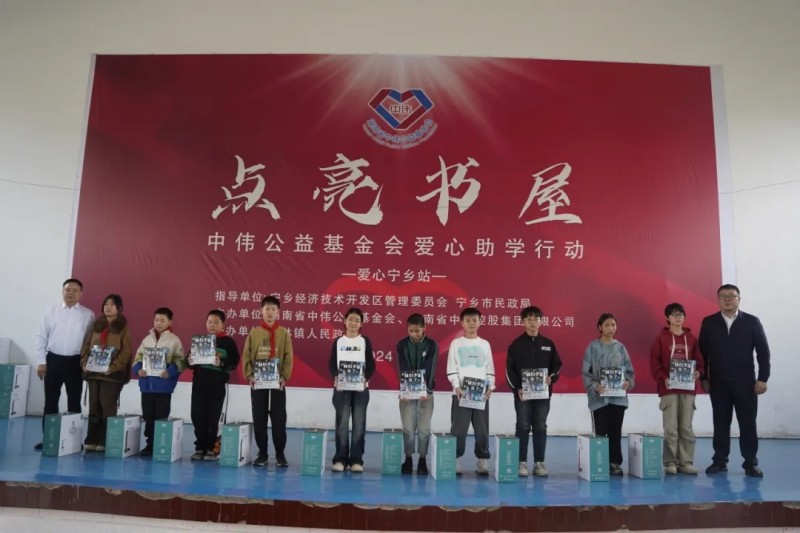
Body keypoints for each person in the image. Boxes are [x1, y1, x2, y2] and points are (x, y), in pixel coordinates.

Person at [699, 284, 770, 478]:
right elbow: (702, 353)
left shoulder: (752, 322)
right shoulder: (709, 322)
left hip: (746, 384)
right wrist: (704, 377)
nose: (727, 299)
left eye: (732, 295)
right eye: (723, 296)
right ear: (718, 300)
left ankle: (750, 463)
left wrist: (763, 378)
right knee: (720, 423)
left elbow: (763, 352)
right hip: (718, 383)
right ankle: (719, 461)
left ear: (739, 299)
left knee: (748, 424)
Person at [33, 278, 95, 450]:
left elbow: (90, 342)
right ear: (62, 291)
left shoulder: (88, 315)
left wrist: (87, 363)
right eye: (68, 290)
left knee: (74, 401)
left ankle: (74, 441)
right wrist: (41, 361)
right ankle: (49, 439)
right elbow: (41, 336)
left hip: (75, 362)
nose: (71, 293)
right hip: (53, 360)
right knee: (50, 401)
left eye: (75, 290)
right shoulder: (50, 311)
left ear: (81, 293)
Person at [505, 306, 562, 477]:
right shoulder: (516, 345)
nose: (533, 323)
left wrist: (551, 378)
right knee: (522, 426)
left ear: (541, 321)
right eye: (529, 319)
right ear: (523, 322)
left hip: (543, 395)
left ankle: (539, 463)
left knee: (540, 427)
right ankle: (521, 462)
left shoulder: (548, 344)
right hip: (523, 395)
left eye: (536, 319)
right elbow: (509, 370)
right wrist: (517, 389)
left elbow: (557, 366)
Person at [649, 302, 704, 475]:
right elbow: (654, 363)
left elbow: (700, 362)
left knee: (686, 427)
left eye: (680, 314)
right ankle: (670, 462)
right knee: (670, 428)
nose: (678, 317)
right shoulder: (661, 338)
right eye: (674, 314)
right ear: (667, 318)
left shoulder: (692, 339)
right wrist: (663, 378)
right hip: (669, 389)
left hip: (688, 389)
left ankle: (686, 462)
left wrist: (698, 372)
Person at [581, 312, 635, 476]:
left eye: (613, 325)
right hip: (599, 398)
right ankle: (600, 462)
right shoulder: (592, 347)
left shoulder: (621, 348)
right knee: (600, 433)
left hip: (618, 399)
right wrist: (595, 386)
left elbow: (630, 371)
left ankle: (615, 463)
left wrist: (628, 382)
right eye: (606, 325)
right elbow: (586, 372)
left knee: (615, 432)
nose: (610, 328)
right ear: (600, 327)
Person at [242, 296, 292, 467]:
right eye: (267, 309)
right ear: (261, 311)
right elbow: (247, 355)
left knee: (279, 419)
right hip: (258, 383)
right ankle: (262, 453)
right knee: (259, 417)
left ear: (278, 312)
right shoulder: (254, 333)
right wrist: (249, 375)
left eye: (273, 309)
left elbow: (288, 356)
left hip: (278, 383)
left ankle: (280, 454)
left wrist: (284, 376)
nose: (270, 312)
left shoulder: (284, 333)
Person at [131, 307, 187, 457]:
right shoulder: (147, 339)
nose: (159, 323)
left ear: (170, 322)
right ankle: (149, 444)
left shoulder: (174, 340)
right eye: (156, 320)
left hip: (163, 387)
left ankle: (161, 444)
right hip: (147, 386)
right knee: (148, 416)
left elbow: (181, 361)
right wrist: (138, 370)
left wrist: (170, 372)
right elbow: (137, 358)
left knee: (161, 416)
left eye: (162, 320)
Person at [80, 294, 132, 452]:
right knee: (94, 407)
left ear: (119, 308)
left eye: (112, 304)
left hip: (112, 375)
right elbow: (86, 346)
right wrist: (85, 363)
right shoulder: (96, 325)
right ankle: (91, 439)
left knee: (107, 406)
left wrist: (113, 367)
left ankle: (105, 440)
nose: (108, 307)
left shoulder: (123, 327)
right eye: (106, 304)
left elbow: (126, 352)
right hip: (93, 372)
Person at [447, 307, 495, 476]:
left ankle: (482, 459)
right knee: (459, 429)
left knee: (482, 429)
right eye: (467, 320)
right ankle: (454, 459)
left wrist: (490, 387)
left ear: (480, 322)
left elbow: (489, 369)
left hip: (481, 394)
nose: (471, 323)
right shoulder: (456, 344)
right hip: (461, 393)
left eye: (475, 320)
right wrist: (456, 386)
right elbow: (452, 368)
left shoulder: (485, 344)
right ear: (462, 322)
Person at [188, 309, 240, 461]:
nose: (212, 325)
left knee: (213, 417)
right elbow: (188, 361)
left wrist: (221, 363)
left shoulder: (228, 342)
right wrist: (190, 361)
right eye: (209, 322)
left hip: (217, 386)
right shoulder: (200, 341)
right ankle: (200, 447)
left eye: (216, 322)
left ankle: (212, 448)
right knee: (197, 416)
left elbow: (234, 362)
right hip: (199, 385)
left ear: (223, 325)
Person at [328, 307, 375, 472]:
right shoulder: (338, 341)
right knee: (341, 424)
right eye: (350, 319)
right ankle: (340, 459)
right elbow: (332, 363)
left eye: (357, 320)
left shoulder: (365, 341)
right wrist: (336, 376)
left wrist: (365, 378)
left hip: (361, 389)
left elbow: (371, 364)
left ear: (361, 324)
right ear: (344, 321)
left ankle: (356, 460)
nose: (353, 323)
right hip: (342, 389)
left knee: (359, 424)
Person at [396, 313, 439, 476]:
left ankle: (422, 459)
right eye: (411, 331)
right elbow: (402, 367)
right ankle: (408, 458)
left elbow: (431, 367)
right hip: (407, 393)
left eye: (417, 331)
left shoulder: (431, 345)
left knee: (424, 429)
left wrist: (425, 389)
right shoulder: (401, 344)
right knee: (407, 427)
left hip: (426, 393)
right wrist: (405, 390)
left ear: (424, 328)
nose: (414, 334)